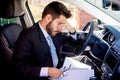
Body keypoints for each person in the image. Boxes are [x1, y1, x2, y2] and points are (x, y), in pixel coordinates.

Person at [12, 1, 79, 80]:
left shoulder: (54, 32)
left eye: (62, 24)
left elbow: (73, 43)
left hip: (59, 74)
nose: (61, 28)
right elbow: (18, 68)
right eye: (59, 23)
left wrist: (71, 29)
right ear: (48, 18)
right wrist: (47, 71)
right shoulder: (28, 35)